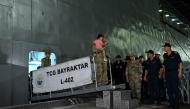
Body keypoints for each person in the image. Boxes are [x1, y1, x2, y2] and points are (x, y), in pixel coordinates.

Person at [163, 43, 182, 109]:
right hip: (167, 73)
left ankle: (176, 103)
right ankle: (171, 103)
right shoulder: (165, 55)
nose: (164, 48)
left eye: (164, 47)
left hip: (174, 72)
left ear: (168, 47)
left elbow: (180, 63)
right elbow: (164, 66)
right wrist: (164, 74)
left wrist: (180, 72)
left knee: (175, 88)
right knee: (169, 88)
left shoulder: (175, 54)